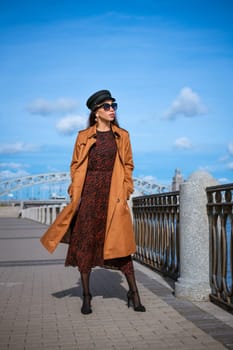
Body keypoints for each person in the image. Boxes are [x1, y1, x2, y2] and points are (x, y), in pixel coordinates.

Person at [40, 89, 145, 315]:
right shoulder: (83, 136)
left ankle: (134, 292)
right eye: (106, 106)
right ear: (95, 112)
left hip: (113, 195)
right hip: (88, 197)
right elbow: (75, 165)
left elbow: (128, 165)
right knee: (86, 245)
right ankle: (86, 296)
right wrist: (74, 191)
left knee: (121, 247)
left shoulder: (122, 136)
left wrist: (126, 189)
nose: (112, 110)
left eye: (114, 105)